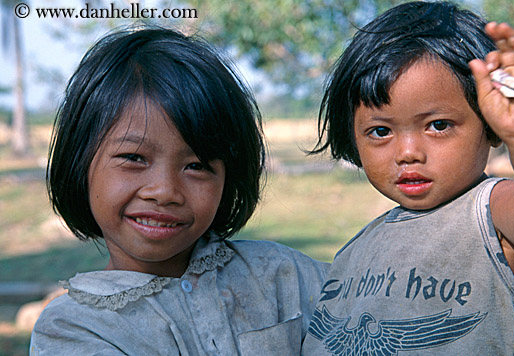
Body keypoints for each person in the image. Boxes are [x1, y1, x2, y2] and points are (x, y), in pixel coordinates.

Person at [30, 25, 328, 356]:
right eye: (134, 158)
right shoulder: (72, 328)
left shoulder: (284, 275)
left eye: (197, 166)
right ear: (79, 162)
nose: (165, 191)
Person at [302, 1, 514, 355]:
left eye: (438, 126)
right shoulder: (355, 248)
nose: (408, 152)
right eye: (380, 131)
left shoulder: (491, 209)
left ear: (491, 126)